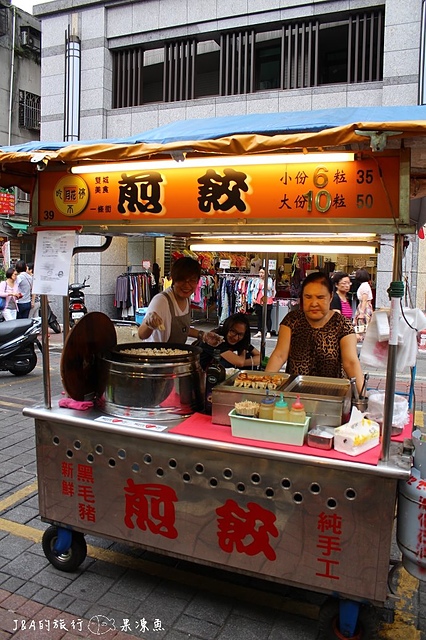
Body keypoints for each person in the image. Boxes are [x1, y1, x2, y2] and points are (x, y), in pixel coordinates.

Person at [265, 271, 364, 393]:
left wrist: (362, 396)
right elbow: (279, 355)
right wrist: (265, 385)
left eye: (320, 297)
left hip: (332, 396)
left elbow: (351, 362)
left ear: (331, 297)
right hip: (295, 395)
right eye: (308, 297)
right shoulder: (292, 320)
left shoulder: (342, 324)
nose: (314, 303)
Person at [138, 256, 222, 346]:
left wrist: (203, 335)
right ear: (173, 279)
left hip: (176, 355)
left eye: (192, 281)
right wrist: (149, 323)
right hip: (158, 356)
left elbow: (182, 329)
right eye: (182, 280)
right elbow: (141, 335)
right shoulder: (161, 301)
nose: (186, 286)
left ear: (198, 282)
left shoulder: (186, 298)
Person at [253, 267, 275, 338]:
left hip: (267, 299)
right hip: (259, 300)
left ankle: (268, 331)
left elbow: (270, 288)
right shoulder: (257, 281)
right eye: (260, 272)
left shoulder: (269, 280)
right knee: (259, 317)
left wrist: (264, 282)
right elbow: (254, 290)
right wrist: (253, 298)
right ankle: (259, 331)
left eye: (262, 273)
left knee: (268, 316)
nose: (261, 274)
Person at [353, 268, 374, 342]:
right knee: (364, 327)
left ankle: (362, 340)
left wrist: (361, 313)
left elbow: (364, 299)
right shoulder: (366, 285)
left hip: (364, 307)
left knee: (362, 327)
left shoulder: (364, 286)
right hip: (365, 306)